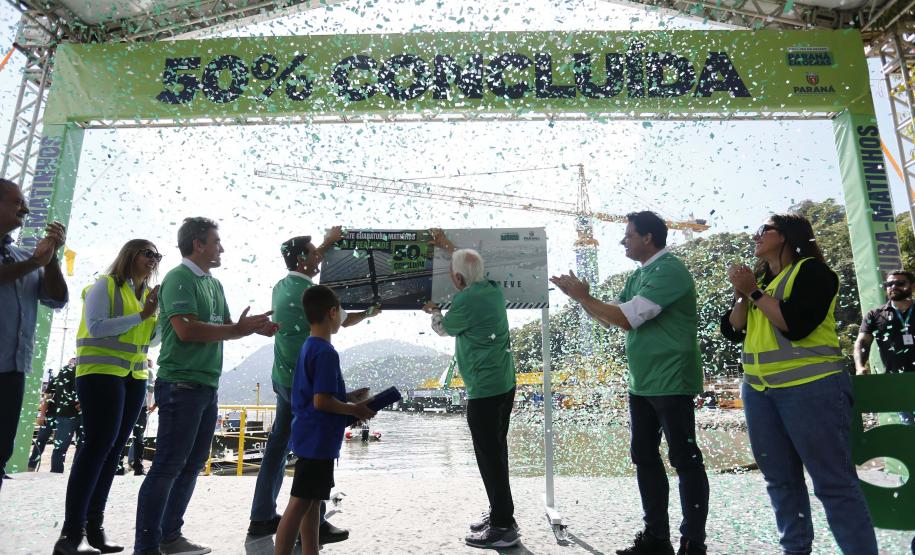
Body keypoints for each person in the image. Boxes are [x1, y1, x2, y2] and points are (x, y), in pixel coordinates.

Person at [551, 211, 708, 555]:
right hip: (643, 383)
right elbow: (617, 321)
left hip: (671, 379)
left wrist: (583, 297)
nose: (623, 241)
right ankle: (656, 539)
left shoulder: (669, 271)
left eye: (629, 235)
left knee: (684, 459)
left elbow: (624, 316)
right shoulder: (639, 276)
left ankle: (693, 543)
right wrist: (581, 297)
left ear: (648, 238)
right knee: (644, 456)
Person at [722, 213, 878, 555]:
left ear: (787, 236)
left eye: (764, 230)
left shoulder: (813, 272)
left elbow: (796, 325)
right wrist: (742, 294)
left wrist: (754, 292)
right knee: (780, 482)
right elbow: (732, 330)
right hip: (759, 393)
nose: (755, 236)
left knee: (833, 484)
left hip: (813, 387)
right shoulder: (760, 284)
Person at [133, 218, 277, 555]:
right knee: (167, 466)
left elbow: (226, 326)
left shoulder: (214, 283)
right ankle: (146, 546)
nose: (221, 248)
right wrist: (239, 329)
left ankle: (170, 537)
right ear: (198, 244)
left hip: (206, 386)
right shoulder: (178, 278)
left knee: (192, 464)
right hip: (180, 384)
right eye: (216, 242)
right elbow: (186, 330)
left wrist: (253, 328)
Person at [248, 229, 380, 543]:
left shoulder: (283, 285)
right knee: (316, 452)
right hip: (304, 384)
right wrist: (370, 313)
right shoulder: (309, 295)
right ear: (302, 259)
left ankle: (262, 517)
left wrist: (325, 243)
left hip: (283, 378)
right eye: (313, 252)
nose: (319, 256)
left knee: (278, 448)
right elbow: (344, 320)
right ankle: (316, 522)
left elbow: (304, 262)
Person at [53, 240, 163, 555]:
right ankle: (72, 535)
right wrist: (143, 315)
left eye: (157, 255)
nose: (153, 260)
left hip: (134, 378)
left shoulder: (148, 296)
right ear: (130, 255)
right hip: (100, 373)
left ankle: (95, 528)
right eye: (147, 253)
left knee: (114, 450)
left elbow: (150, 340)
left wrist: (160, 318)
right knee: (97, 447)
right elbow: (97, 327)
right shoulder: (105, 286)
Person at [422, 231, 520, 550]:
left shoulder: (465, 300)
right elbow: (474, 268)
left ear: (460, 278)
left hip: (485, 391)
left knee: (489, 458)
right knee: (497, 452)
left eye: (454, 274)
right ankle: (500, 513)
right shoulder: (491, 289)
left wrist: (433, 311)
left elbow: (443, 329)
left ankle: (504, 527)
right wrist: (450, 248)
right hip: (504, 385)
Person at [273, 284, 376, 555]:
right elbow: (322, 402)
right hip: (319, 441)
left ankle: (311, 551)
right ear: (332, 313)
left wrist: (350, 397)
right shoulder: (326, 353)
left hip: (309, 436)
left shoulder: (310, 346)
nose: (342, 315)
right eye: (341, 310)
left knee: (311, 503)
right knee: (298, 505)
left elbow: (317, 395)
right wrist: (357, 410)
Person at [0, 177, 68, 486]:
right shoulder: (24, 261)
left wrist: (51, 259)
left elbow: (56, 298)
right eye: (16, 202)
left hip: (12, 372)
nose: (25, 208)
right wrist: (34, 261)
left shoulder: (19, 257)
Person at [855, 269, 915, 425]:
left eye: (900, 283)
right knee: (909, 430)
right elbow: (862, 342)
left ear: (912, 286)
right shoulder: (875, 315)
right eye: (889, 284)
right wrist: (859, 366)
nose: (893, 286)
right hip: (896, 382)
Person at [29, 358, 82, 473]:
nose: (71, 364)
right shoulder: (58, 378)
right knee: (43, 441)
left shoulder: (82, 377)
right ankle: (32, 466)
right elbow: (47, 397)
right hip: (55, 414)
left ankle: (74, 472)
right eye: (71, 363)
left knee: (78, 446)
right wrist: (42, 415)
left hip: (72, 416)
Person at [119, 367, 156, 476]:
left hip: (137, 405)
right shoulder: (145, 370)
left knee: (132, 436)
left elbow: (151, 388)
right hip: (135, 405)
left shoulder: (147, 370)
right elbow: (151, 388)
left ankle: (130, 467)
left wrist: (150, 404)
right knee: (136, 437)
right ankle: (136, 467)